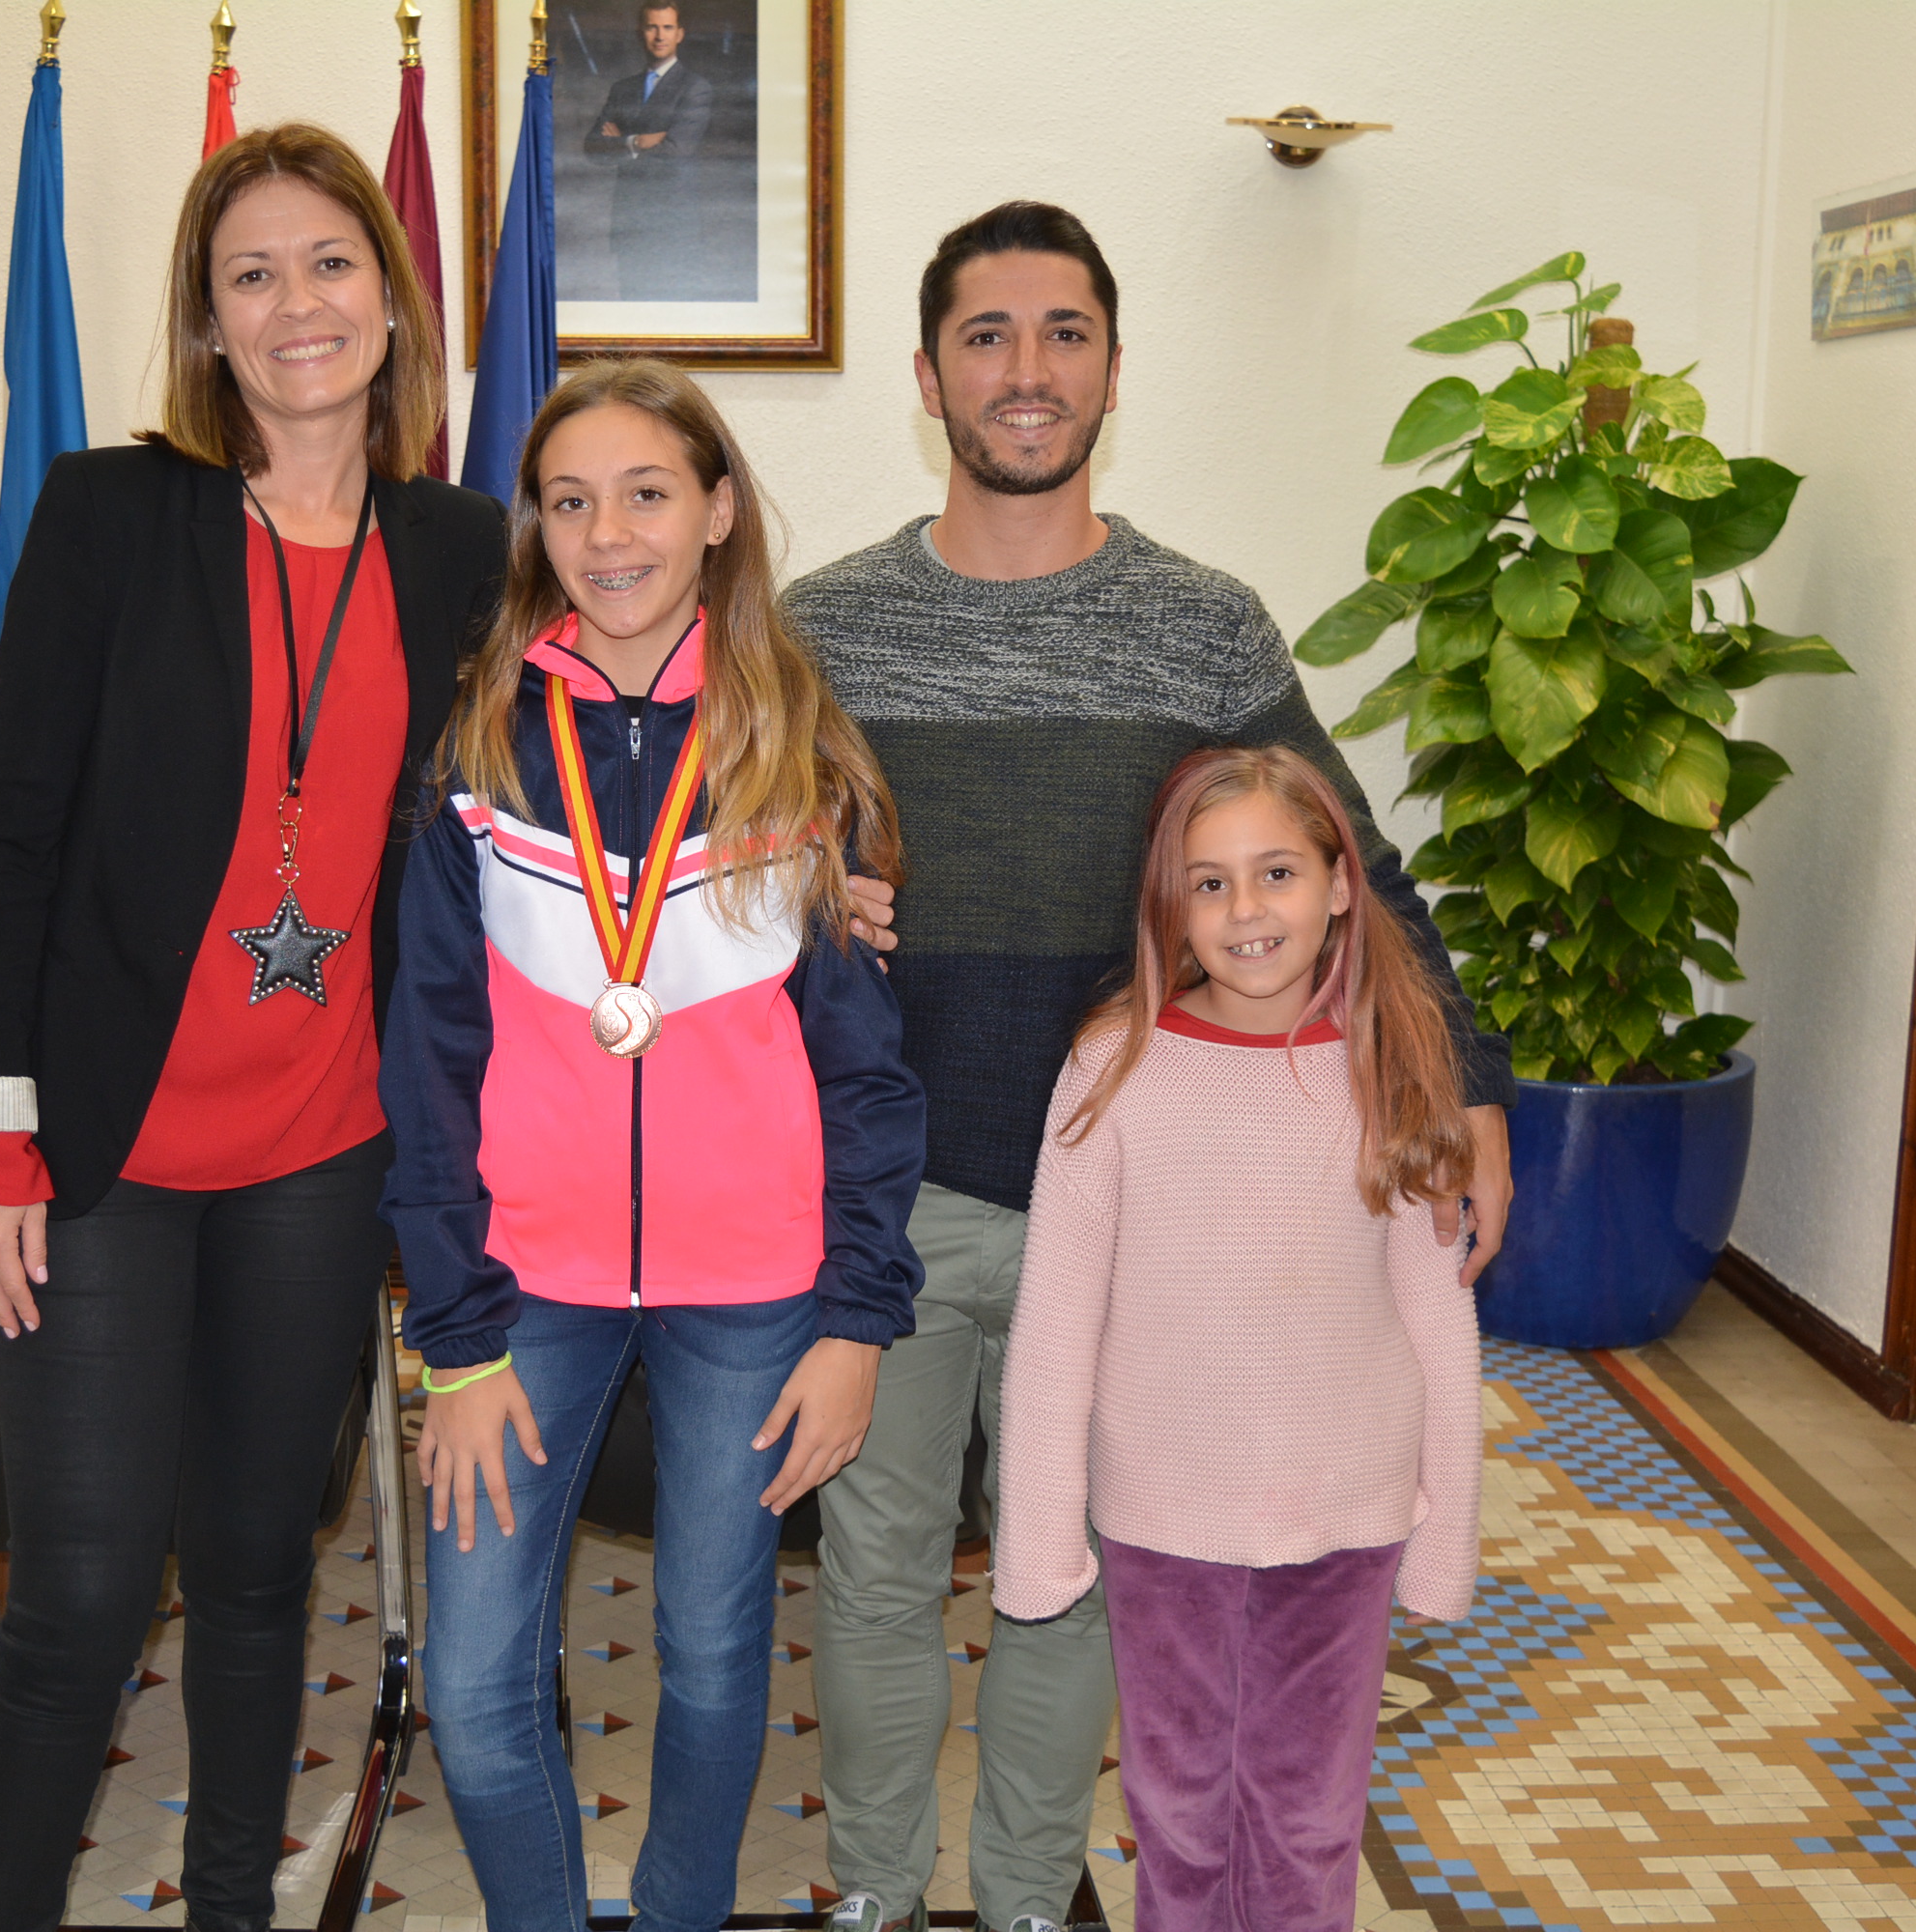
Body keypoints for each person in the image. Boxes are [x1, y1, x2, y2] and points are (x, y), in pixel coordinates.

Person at [782, 200, 1518, 1932]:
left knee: (1080, 1578)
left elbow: (1355, 868)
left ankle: (1031, 1898)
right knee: (877, 1576)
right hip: (884, 1203)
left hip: (1123, 1213)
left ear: (1114, 369)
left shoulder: (1204, 626)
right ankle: (877, 1894)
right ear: (926, 377)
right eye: (985, 335)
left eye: (1063, 333)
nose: (1025, 370)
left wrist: (1471, 1079)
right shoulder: (821, 628)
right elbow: (723, 868)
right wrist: (799, 890)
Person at [0, 123, 505, 1932]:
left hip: (320, 1152)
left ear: (390, 300)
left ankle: (236, 1912)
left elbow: (564, 787)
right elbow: (7, 837)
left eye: (329, 263)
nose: (296, 304)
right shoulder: (112, 515)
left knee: (260, 1574)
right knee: (84, 1597)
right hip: (104, 1151)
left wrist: (807, 869)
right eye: (250, 274)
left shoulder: (460, 545)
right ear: (207, 321)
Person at [380, 358, 928, 1932]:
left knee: (713, 1652)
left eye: (645, 494)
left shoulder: (796, 759)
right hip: (521, 1291)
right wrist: (455, 1343)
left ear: (717, 511)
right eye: (569, 502)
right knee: (474, 1682)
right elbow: (426, 1064)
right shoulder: (481, 755)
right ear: (535, 531)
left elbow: (865, 1076)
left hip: (754, 1291)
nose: (607, 534)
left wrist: (855, 1320)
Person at [993, 744, 1481, 1932]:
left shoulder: (1393, 1064)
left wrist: (1446, 1535)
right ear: (1171, 904)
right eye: (1208, 883)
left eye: (1276, 872)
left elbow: (1437, 1316)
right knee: (1180, 1813)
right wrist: (1039, 1541)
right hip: (1166, 1524)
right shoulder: (1114, 1066)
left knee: (1308, 1818)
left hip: (1348, 1519)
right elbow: (1056, 1317)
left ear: (1339, 885)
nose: (1246, 909)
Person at [583, 1, 715, 298]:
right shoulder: (622, 89)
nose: (659, 35)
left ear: (680, 34)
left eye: (667, 27)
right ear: (640, 33)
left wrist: (620, 142)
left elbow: (677, 149)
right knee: (633, 314)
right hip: (629, 227)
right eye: (652, 27)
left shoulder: (695, 87)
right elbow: (592, 146)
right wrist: (637, 142)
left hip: (674, 230)